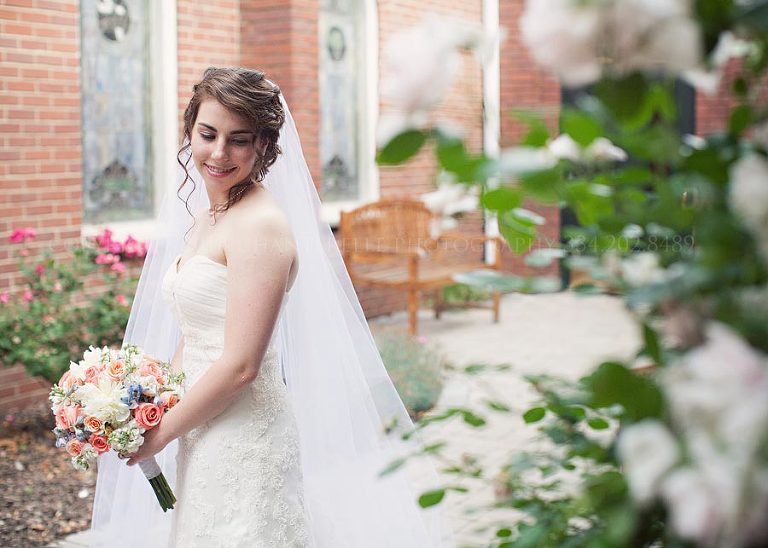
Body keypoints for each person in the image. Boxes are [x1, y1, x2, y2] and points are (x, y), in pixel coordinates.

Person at [89, 67, 447, 547]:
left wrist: (161, 434)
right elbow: (197, 334)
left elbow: (241, 365)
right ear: (189, 131)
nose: (219, 153)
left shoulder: (260, 226)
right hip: (202, 421)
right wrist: (143, 404)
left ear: (264, 146)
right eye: (208, 134)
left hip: (242, 435)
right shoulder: (208, 216)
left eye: (239, 140)